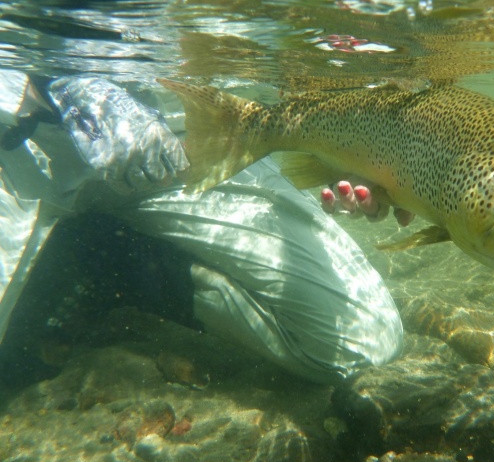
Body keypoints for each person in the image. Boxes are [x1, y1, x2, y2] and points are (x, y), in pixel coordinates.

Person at [0, 70, 403, 387]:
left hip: (190, 147)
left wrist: (341, 151)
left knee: (364, 344)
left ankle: (107, 255)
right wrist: (66, 82)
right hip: (16, 138)